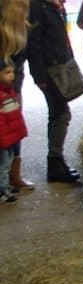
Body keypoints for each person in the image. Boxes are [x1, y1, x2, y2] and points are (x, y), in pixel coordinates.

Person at [27, 0, 80, 183]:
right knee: (61, 114)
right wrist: (39, 76)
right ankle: (55, 162)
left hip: (60, 65)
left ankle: (55, 163)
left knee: (57, 114)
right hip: (49, 70)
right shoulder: (37, 7)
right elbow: (34, 44)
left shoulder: (55, 6)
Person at [0, 0, 35, 190]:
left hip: (14, 84)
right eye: (23, 10)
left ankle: (14, 175)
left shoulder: (23, 31)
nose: (27, 14)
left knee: (14, 123)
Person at [0, 58, 27, 203]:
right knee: (3, 164)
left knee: (8, 161)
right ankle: (2, 191)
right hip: (3, 137)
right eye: (7, 72)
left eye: (12, 72)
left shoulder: (9, 91)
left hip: (10, 136)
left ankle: (6, 185)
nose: (12, 75)